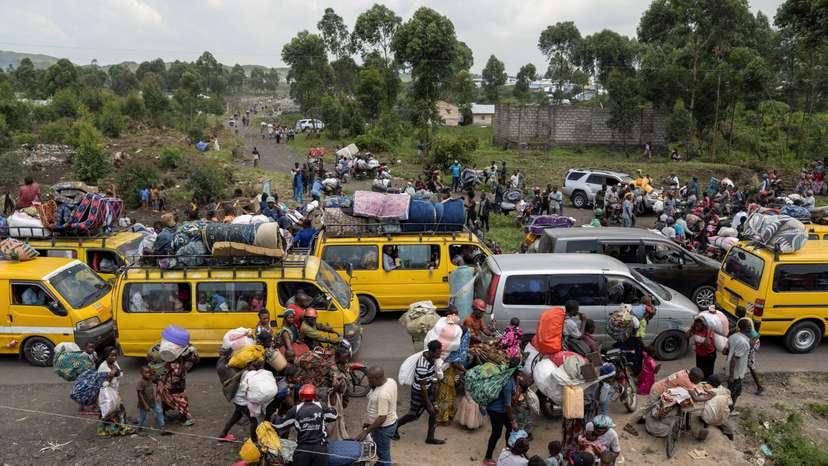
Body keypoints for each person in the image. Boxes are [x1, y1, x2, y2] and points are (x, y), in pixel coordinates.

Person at [274, 384, 337, 466]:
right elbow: (334, 416)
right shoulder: (321, 406)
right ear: (314, 395)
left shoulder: (295, 409)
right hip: (320, 448)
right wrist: (331, 409)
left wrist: (276, 415)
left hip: (303, 450)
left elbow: (280, 426)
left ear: (301, 396)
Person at [395, 340, 444, 444]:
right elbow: (422, 386)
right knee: (413, 415)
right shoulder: (423, 364)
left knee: (433, 413)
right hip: (420, 393)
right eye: (438, 353)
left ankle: (430, 438)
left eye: (440, 352)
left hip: (427, 390)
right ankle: (394, 427)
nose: (440, 355)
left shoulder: (431, 357)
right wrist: (428, 403)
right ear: (431, 352)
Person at [356, 366, 398, 465]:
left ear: (377, 378)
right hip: (390, 423)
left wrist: (366, 431)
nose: (368, 382)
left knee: (384, 455)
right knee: (381, 450)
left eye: (370, 379)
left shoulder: (382, 394)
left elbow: (382, 417)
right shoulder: (391, 381)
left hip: (383, 429)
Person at [484, 357, 520, 465]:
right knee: (496, 433)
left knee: (509, 429)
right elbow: (508, 405)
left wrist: (517, 381)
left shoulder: (507, 373)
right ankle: (487, 458)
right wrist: (513, 420)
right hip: (497, 411)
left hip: (499, 409)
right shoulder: (508, 383)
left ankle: (508, 451)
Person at [155, 344, 198, 426]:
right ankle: (183, 419)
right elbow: (178, 373)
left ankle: (166, 416)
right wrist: (181, 362)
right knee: (180, 402)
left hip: (172, 385)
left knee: (168, 400)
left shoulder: (171, 362)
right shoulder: (175, 363)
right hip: (173, 386)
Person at [726, 318, 752, 410]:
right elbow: (734, 359)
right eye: (750, 326)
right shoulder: (743, 342)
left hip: (733, 370)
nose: (751, 328)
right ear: (746, 328)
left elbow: (728, 351)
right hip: (736, 373)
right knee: (733, 394)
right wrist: (731, 376)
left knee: (732, 392)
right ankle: (729, 411)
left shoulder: (733, 336)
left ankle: (728, 409)